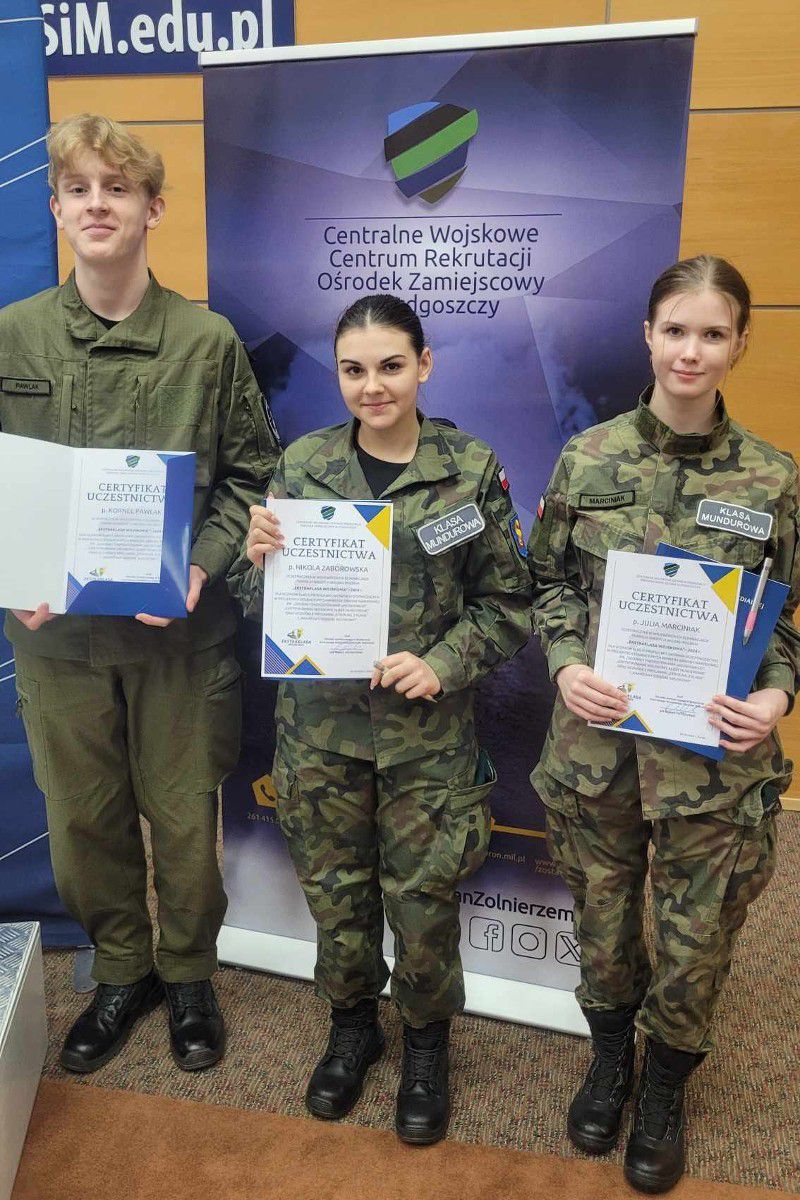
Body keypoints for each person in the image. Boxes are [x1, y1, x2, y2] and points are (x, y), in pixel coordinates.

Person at [1, 114, 278, 1073]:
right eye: (79, 189)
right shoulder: (13, 336)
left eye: (117, 189)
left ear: (153, 209)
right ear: (55, 208)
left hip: (178, 637)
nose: (98, 206)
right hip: (56, 640)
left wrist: (201, 564)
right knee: (83, 821)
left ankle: (190, 973)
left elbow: (254, 476)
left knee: (186, 820)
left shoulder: (207, 340)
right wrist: (12, 571)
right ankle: (122, 969)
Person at [229, 294, 531, 1144]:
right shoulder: (304, 466)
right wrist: (255, 562)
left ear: (424, 365)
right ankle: (352, 1025)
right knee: (336, 895)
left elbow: (510, 604)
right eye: (354, 370)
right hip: (320, 735)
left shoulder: (469, 470)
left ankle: (426, 1044)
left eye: (392, 366)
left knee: (423, 901)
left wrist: (442, 663)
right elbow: (257, 602)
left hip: (425, 740)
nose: (374, 386)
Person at [529, 254, 799, 1193]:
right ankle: (612, 1057)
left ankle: (665, 1087)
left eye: (713, 334)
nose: (691, 351)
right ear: (647, 335)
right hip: (598, 753)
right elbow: (549, 583)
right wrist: (567, 664)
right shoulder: (588, 457)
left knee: (695, 945)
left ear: (739, 344)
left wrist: (776, 697)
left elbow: (786, 621)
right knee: (605, 929)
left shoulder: (772, 477)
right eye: (676, 330)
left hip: (714, 765)